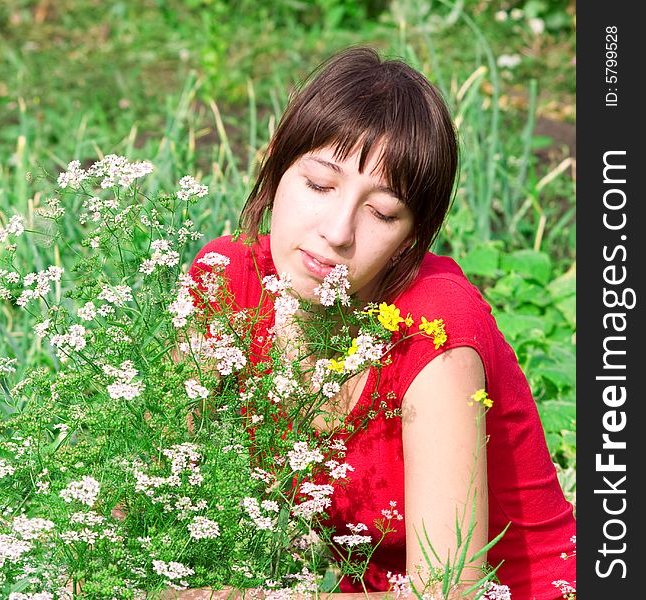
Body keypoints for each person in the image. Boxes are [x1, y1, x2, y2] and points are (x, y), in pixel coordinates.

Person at [179, 46, 576, 599]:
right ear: (273, 167)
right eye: (320, 185)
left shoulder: (434, 330)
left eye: (382, 212)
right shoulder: (229, 281)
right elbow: (148, 482)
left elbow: (448, 590)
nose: (338, 231)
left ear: (410, 237)